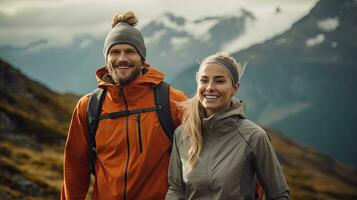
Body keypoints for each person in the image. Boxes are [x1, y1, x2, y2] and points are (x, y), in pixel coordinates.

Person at [61, 11, 187, 200]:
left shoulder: (172, 101)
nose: (122, 58)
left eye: (130, 51)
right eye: (114, 52)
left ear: (142, 58)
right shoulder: (89, 107)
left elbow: (200, 161)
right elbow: (75, 169)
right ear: (107, 58)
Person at [165, 53, 290, 200]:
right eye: (204, 80)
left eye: (219, 81)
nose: (210, 87)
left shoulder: (254, 138)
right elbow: (176, 189)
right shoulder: (182, 134)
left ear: (235, 88)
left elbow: (279, 195)